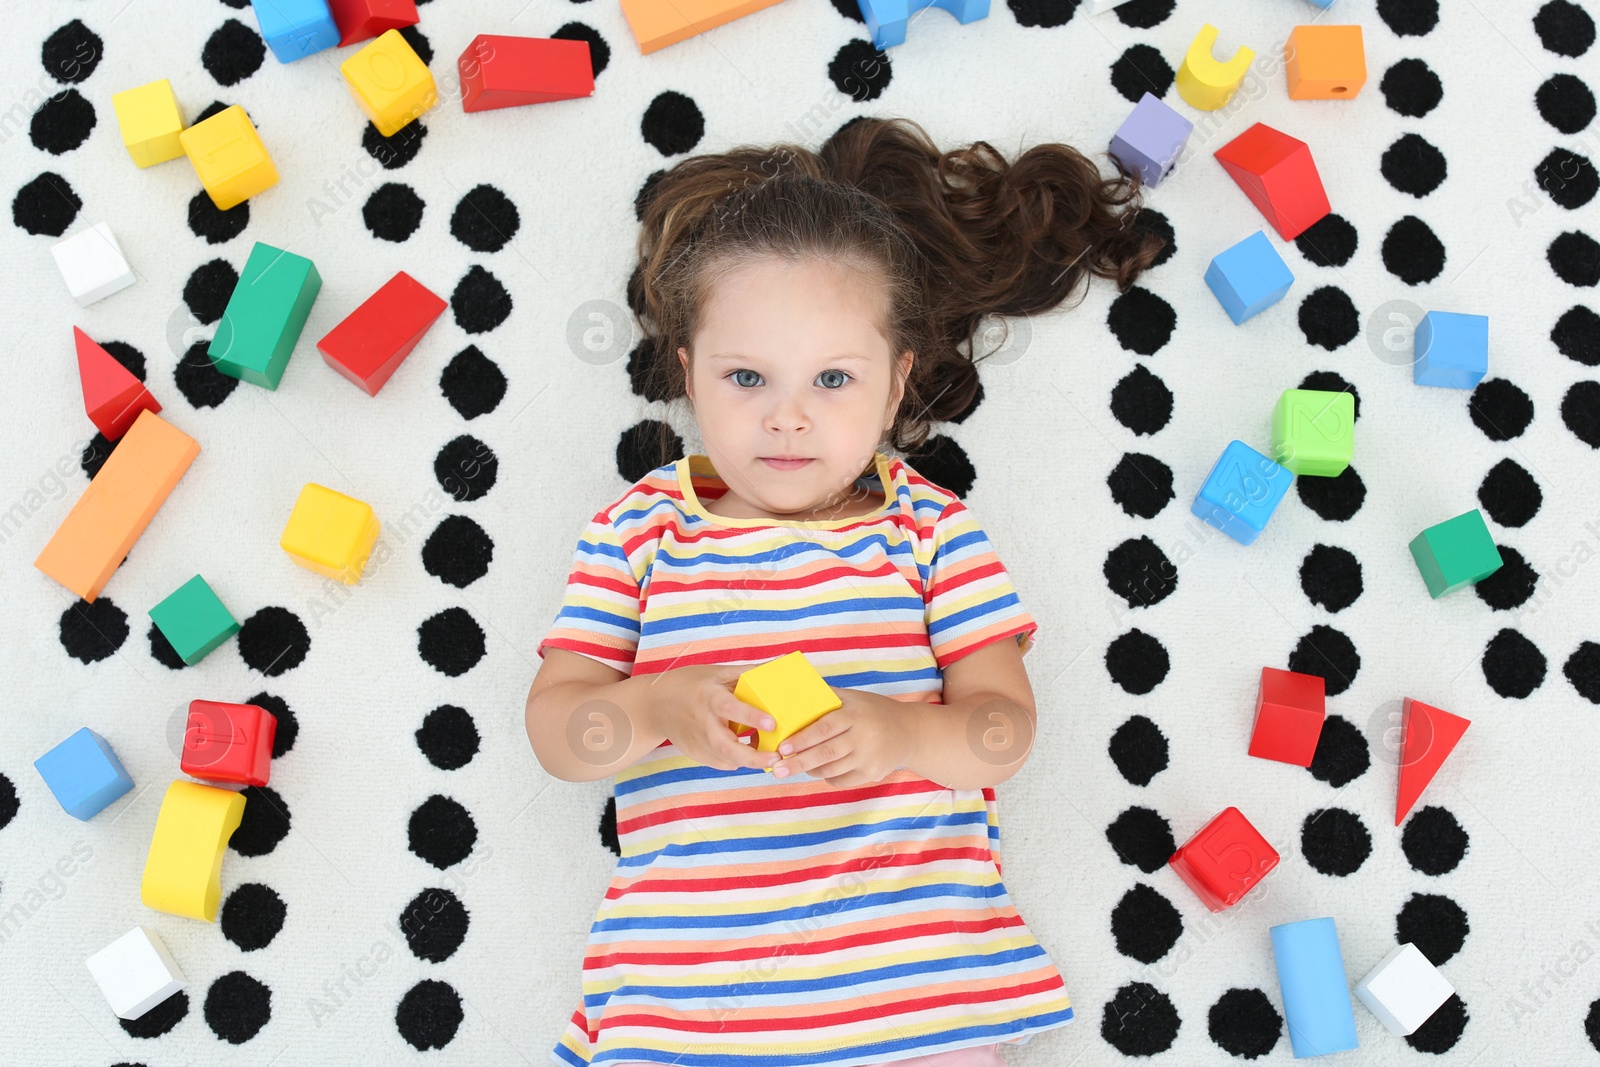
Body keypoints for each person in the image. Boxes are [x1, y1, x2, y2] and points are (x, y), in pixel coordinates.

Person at [526, 116, 1164, 1067]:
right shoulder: (641, 530)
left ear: (899, 381)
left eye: (833, 378)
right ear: (687, 372)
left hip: (917, 1005)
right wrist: (655, 704)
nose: (787, 416)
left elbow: (1003, 730)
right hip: (686, 1008)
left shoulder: (930, 530)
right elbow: (559, 734)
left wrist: (901, 731)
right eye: (746, 376)